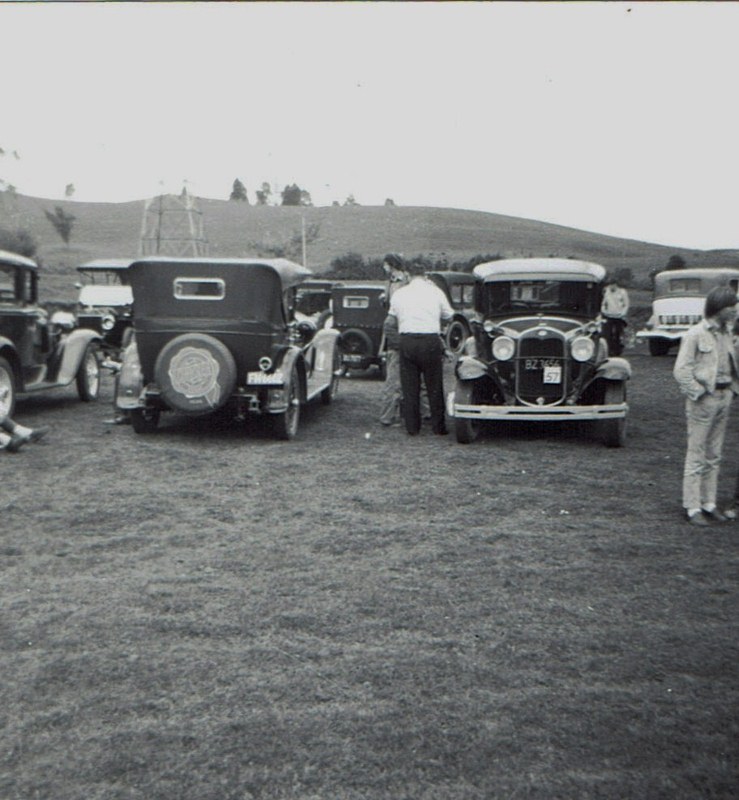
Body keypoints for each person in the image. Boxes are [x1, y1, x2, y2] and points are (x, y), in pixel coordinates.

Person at [673, 285, 739, 526]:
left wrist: (732, 389)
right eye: (730, 307)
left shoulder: (726, 333)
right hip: (704, 400)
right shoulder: (695, 334)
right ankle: (692, 507)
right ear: (717, 308)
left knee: (714, 454)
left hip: (724, 397)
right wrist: (698, 393)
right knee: (697, 453)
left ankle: (709, 504)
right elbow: (681, 370)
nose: (734, 311)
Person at [386, 263, 454, 435]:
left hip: (407, 340)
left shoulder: (400, 293)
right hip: (430, 340)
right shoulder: (436, 292)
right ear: (426, 275)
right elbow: (449, 315)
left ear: (408, 275)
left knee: (410, 387)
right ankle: (439, 427)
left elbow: (390, 321)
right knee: (434, 385)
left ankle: (412, 427)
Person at [378, 254, 410, 427]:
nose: (384, 268)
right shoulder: (389, 282)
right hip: (393, 326)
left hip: (401, 327)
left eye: (385, 264)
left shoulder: (405, 281)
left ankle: (394, 414)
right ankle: (392, 414)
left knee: (396, 377)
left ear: (391, 265)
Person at [601, 278, 630, 356]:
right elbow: (603, 303)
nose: (611, 287)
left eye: (612, 285)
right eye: (609, 285)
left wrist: (622, 313)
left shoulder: (622, 292)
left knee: (617, 333)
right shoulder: (607, 292)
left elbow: (626, 304)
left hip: (619, 316)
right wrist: (604, 311)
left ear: (615, 285)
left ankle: (617, 350)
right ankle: (610, 351)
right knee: (608, 334)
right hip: (609, 316)